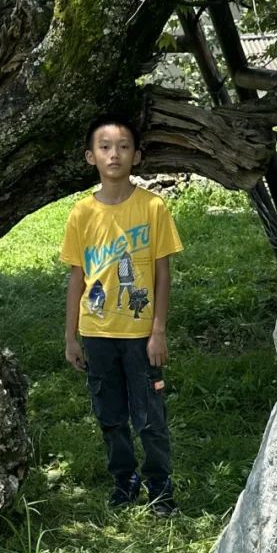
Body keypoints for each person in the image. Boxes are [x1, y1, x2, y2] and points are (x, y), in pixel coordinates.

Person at [60, 118, 183, 516]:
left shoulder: (152, 207)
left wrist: (158, 331)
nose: (115, 154)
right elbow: (77, 277)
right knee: (109, 414)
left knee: (149, 415)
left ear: (137, 156)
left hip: (140, 334)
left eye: (124, 146)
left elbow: (163, 274)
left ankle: (160, 486)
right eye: (105, 146)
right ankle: (124, 480)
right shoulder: (81, 213)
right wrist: (71, 336)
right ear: (90, 157)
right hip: (96, 332)